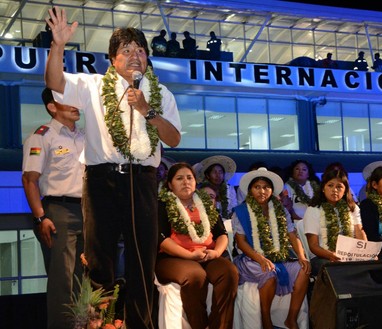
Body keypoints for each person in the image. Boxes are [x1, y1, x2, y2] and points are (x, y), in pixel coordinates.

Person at [45, 7, 182, 327]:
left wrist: (148, 111)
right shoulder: (92, 85)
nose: (135, 55)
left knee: (141, 260)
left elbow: (173, 139)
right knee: (99, 260)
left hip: (143, 182)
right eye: (126, 50)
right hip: (100, 180)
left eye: (140, 50)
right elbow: (54, 81)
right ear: (112, 59)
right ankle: (101, 323)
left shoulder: (161, 94)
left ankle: (140, 324)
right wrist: (58, 45)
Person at [21, 88, 85, 329]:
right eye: (68, 101)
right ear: (52, 107)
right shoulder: (42, 137)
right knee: (63, 282)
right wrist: (40, 218)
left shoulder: (84, 137)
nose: (75, 105)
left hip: (86, 211)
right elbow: (29, 179)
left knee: (85, 277)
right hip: (58, 210)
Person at [156, 162, 239, 329]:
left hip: (207, 254)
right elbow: (162, 239)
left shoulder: (206, 204)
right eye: (179, 178)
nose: (186, 182)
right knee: (195, 275)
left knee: (229, 272)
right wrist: (189, 256)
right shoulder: (162, 204)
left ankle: (220, 325)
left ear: (195, 182)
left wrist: (216, 253)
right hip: (172, 258)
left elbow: (221, 234)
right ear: (170, 185)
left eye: (189, 178)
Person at [231, 167, 311, 329]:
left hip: (278, 256)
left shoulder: (280, 210)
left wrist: (302, 256)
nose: (262, 191)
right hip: (251, 259)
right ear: (250, 190)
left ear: (272, 190)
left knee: (304, 269)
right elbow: (241, 242)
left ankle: (291, 318)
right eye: (257, 187)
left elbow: (292, 235)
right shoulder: (241, 211)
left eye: (266, 187)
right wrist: (260, 258)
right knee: (269, 272)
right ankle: (266, 321)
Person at [302, 169, 367, 276]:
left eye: (339, 187)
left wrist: (366, 252)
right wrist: (332, 255)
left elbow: (360, 233)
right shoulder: (314, 209)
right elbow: (313, 246)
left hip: (351, 254)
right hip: (323, 256)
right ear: (323, 188)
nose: (334, 190)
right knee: (337, 269)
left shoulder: (352, 208)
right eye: (330, 185)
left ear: (345, 189)